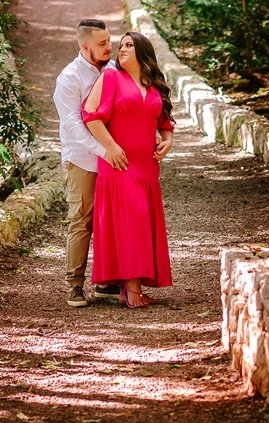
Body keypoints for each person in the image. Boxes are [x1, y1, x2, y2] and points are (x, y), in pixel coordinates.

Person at [81, 31, 174, 308]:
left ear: (143, 52)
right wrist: (110, 147)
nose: (121, 49)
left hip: (148, 167)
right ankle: (131, 288)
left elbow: (165, 125)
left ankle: (135, 287)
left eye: (129, 45)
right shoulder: (111, 77)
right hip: (118, 163)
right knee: (133, 220)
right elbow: (90, 114)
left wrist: (167, 141)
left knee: (142, 224)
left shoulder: (155, 88)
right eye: (120, 45)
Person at [52, 18, 122, 308]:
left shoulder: (115, 69)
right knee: (82, 220)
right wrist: (103, 150)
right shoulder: (69, 77)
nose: (110, 47)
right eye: (102, 43)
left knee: (111, 221)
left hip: (113, 158)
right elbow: (72, 124)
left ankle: (106, 282)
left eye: (109, 41)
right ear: (85, 46)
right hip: (82, 159)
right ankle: (75, 285)